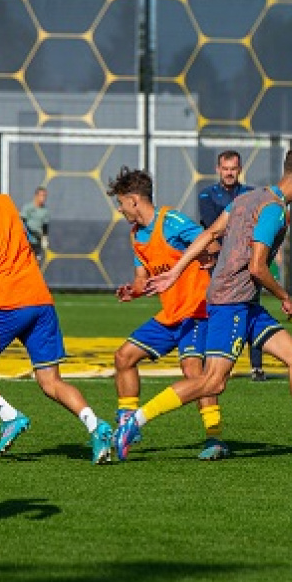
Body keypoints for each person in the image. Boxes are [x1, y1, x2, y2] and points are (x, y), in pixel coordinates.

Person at [114, 147, 292, 463]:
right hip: (231, 302)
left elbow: (208, 234)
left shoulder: (246, 199)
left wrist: (174, 272)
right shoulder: (274, 209)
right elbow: (257, 267)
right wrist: (284, 296)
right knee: (211, 381)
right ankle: (134, 423)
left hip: (245, 303)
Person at [0, 149, 113, 464]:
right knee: (51, 381)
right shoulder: (6, 203)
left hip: (8, 304)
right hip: (40, 300)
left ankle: (9, 416)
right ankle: (97, 425)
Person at [108, 167, 228, 461]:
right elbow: (142, 278)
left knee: (194, 372)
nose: (120, 209)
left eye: (121, 203)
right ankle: (127, 424)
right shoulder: (137, 236)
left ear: (134, 200)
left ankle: (214, 439)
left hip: (198, 311)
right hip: (171, 314)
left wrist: (206, 262)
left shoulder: (171, 221)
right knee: (123, 357)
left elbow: (210, 241)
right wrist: (133, 291)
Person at [198, 150, 267, 381]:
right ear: (218, 169)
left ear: (240, 169)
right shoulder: (207, 196)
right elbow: (213, 229)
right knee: (215, 311)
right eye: (225, 168)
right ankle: (212, 363)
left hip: (247, 262)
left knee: (252, 308)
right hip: (218, 262)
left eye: (233, 168)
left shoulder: (250, 194)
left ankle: (256, 366)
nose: (229, 173)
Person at [20, 186, 50, 263]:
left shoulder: (45, 211)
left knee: (37, 261)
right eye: (41, 195)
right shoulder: (28, 208)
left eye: (45, 196)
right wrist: (30, 233)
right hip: (27, 241)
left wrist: (44, 238)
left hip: (37, 242)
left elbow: (45, 226)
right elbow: (22, 222)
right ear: (36, 196)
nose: (43, 198)